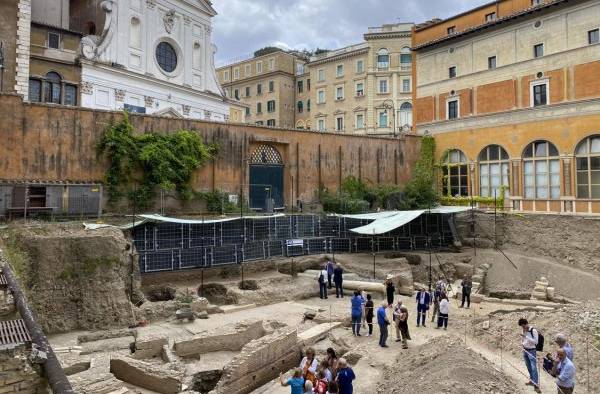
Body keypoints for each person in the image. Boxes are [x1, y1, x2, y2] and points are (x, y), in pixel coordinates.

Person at [519, 318, 541, 393]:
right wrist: (522, 343)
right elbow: (523, 339)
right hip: (525, 350)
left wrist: (526, 337)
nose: (523, 328)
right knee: (528, 366)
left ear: (526, 324)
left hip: (532, 351)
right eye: (522, 327)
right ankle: (532, 380)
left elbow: (536, 342)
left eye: (523, 326)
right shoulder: (523, 330)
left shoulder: (533, 331)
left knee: (534, 367)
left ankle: (536, 385)